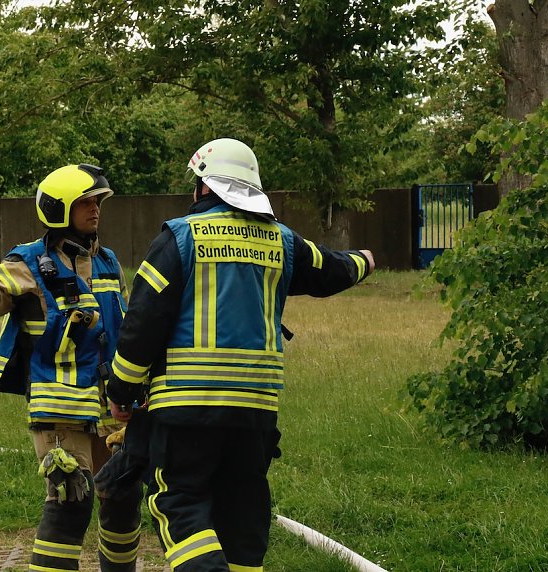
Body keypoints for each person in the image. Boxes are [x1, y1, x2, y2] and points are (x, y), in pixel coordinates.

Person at [105, 138, 375, 571]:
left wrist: (121, 390)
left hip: (186, 409)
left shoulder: (179, 237)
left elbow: (142, 322)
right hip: (255, 415)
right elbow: (331, 269)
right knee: (242, 517)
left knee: (179, 505)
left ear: (203, 188)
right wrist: (364, 260)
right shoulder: (281, 241)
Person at [0, 163, 143, 572]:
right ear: (58, 209)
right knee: (71, 500)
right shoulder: (27, 262)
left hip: (111, 407)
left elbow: (124, 327)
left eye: (97, 201)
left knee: (121, 495)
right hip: (60, 411)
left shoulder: (108, 261)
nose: (95, 209)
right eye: (84, 202)